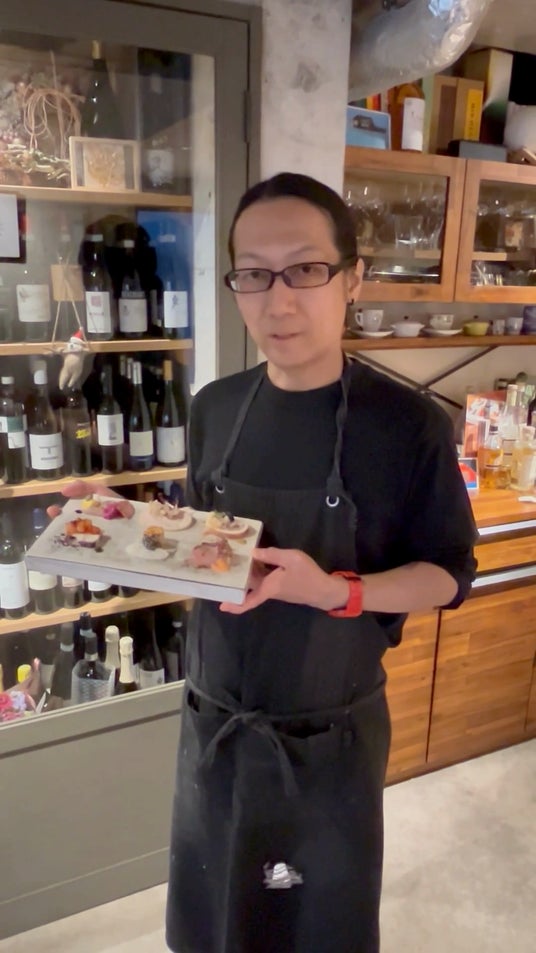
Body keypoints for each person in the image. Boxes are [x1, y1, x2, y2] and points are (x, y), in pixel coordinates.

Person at [57, 172, 477, 953]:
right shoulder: (215, 406)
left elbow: (451, 574)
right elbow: (204, 549)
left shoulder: (408, 424)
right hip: (214, 725)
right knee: (215, 923)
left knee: (314, 930)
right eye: (253, 273)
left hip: (327, 745)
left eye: (305, 269)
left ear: (352, 277)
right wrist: (121, 526)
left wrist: (336, 590)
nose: (278, 301)